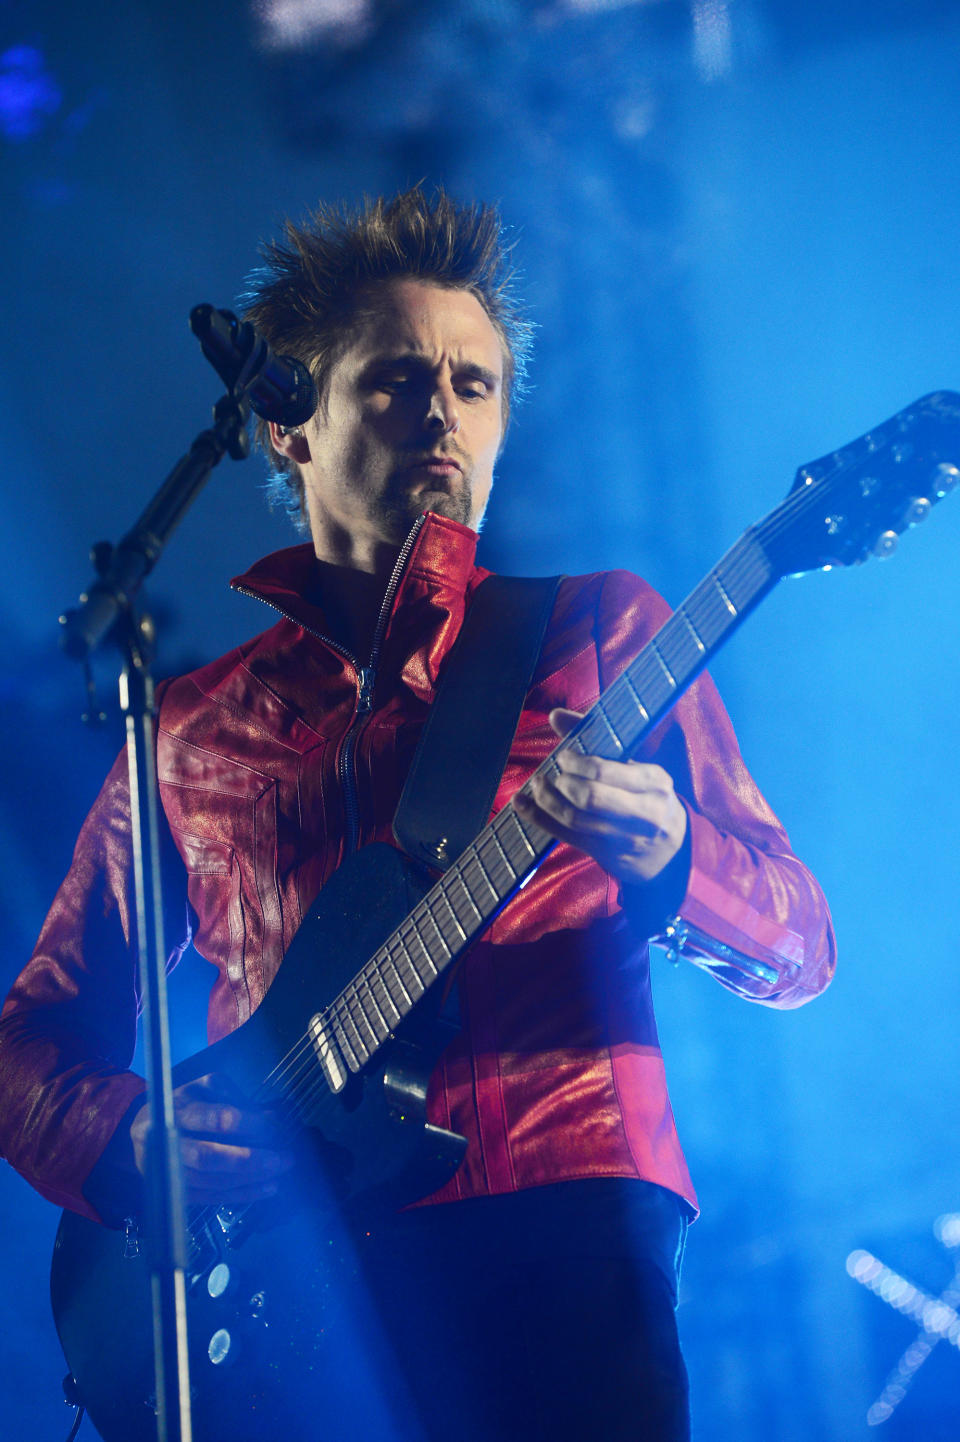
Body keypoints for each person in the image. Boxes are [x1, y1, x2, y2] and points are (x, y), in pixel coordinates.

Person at [0, 189, 834, 1441]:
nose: (443, 408)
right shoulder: (181, 730)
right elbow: (32, 1037)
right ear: (290, 424)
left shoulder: (598, 632)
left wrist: (677, 861)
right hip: (286, 1284)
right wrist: (132, 1139)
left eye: (477, 383)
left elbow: (801, 945)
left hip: (564, 1224)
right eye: (396, 377)